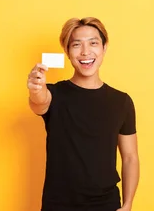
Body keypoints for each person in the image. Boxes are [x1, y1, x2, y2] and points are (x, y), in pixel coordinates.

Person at [26, 17, 140, 211]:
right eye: (76, 45)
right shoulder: (54, 94)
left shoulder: (122, 102)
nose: (85, 52)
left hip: (106, 204)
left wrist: (128, 203)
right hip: (59, 204)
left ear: (104, 48)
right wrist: (36, 89)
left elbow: (130, 157)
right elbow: (39, 102)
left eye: (93, 43)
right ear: (68, 53)